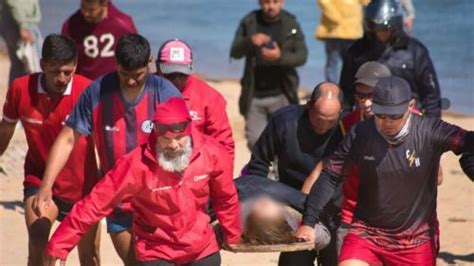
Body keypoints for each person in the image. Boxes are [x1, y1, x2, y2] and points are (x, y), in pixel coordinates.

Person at [34, 34, 181, 265]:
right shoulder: (97, 92)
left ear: (150, 63)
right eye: (125, 74)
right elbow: (68, 139)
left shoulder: (166, 93)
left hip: (160, 201)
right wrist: (46, 185)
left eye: (138, 75)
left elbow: (188, 144)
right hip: (120, 202)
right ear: (116, 65)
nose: (131, 81)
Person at [296, 76, 474, 265]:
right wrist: (308, 223)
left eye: (395, 116)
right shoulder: (360, 134)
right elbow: (331, 176)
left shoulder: (430, 130)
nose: (387, 122)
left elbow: (467, 142)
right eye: (381, 115)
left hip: (415, 241)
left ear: (410, 105)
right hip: (366, 234)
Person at [45, 97, 241, 266]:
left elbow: (226, 198)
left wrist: (232, 234)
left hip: (201, 246)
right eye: (165, 139)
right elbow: (96, 203)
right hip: (156, 248)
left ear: (189, 131)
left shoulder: (212, 152)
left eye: (179, 137)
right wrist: (60, 243)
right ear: (155, 134)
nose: (173, 145)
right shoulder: (135, 164)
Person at [0, 34, 100, 265]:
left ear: (75, 65)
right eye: (55, 71)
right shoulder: (20, 88)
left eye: (68, 71)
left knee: (90, 257)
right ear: (43, 64)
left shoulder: (88, 91)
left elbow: (106, 139)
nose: (62, 78)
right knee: (38, 242)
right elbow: (6, 129)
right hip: (39, 178)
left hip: (83, 185)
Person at [246, 82, 344, 265]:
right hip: (294, 205)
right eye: (319, 118)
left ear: (340, 113)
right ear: (308, 105)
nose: (323, 126)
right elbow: (259, 162)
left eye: (330, 121)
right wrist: (257, 203)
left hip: (333, 207)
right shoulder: (285, 121)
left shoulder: (346, 127)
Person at [339, 0, 442, 118]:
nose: (380, 34)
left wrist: (431, 126)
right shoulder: (357, 51)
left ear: (395, 26)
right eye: (375, 29)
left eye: (384, 29)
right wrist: (345, 123)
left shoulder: (415, 51)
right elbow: (345, 92)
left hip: (408, 120)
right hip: (367, 122)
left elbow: (431, 96)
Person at [230, 0, 308, 150]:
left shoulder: (290, 23)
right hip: (254, 95)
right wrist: (250, 41)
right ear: (260, 3)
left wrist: (279, 57)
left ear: (282, 3)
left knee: (284, 139)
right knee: (255, 141)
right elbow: (234, 52)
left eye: (275, 2)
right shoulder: (250, 21)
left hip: (283, 93)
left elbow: (302, 56)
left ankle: (276, 171)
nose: (271, 6)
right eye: (266, 2)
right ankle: (264, 170)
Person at [155, 39, 235, 161]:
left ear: (191, 69)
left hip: (194, 170)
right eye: (170, 74)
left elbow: (223, 145)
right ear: (158, 67)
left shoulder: (210, 98)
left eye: (182, 74)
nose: (176, 80)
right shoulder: (146, 92)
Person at [62, 0, 137, 80]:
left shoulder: (123, 24)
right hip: (84, 86)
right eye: (83, 7)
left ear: (105, 3)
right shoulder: (70, 26)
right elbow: (65, 62)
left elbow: (135, 58)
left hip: (115, 85)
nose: (85, 13)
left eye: (91, 10)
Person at [315, 0, 369, 83]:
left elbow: (367, 2)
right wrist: (335, 17)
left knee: (351, 62)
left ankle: (349, 87)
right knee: (333, 62)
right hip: (333, 30)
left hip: (352, 31)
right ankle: (333, 87)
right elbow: (324, 2)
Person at [0, 0, 42, 85]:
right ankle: (18, 95)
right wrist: (23, 26)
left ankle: (14, 95)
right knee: (31, 66)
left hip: (22, 24)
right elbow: (15, 3)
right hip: (21, 25)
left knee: (19, 66)